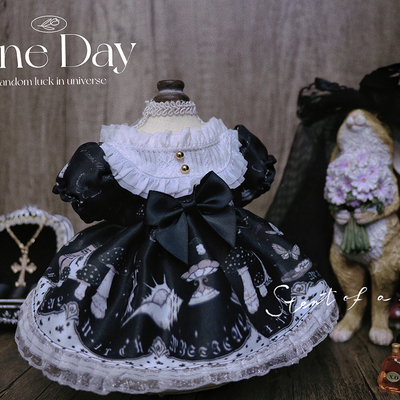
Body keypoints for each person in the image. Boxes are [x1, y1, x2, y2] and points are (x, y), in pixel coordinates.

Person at [16, 80, 337, 395]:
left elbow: (250, 180)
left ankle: (221, 357)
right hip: (141, 252)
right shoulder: (113, 153)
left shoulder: (229, 142)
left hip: (225, 241)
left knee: (239, 295)